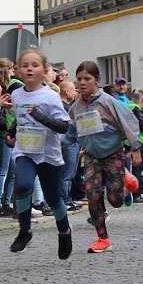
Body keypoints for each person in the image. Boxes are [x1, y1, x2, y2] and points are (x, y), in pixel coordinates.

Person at [64, 61, 142, 253]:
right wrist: (54, 144)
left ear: (97, 80)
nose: (82, 83)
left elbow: (128, 122)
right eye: (79, 79)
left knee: (115, 200)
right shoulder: (76, 106)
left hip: (112, 153)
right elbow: (70, 132)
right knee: (92, 193)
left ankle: (125, 184)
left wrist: (136, 147)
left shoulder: (107, 101)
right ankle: (103, 239)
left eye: (87, 79)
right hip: (91, 155)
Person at [5, 49, 74, 257]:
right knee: (24, 185)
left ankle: (64, 231)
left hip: (48, 153)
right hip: (25, 150)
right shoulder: (17, 94)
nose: (29, 69)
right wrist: (11, 133)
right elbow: (20, 118)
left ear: (44, 71)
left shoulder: (50, 97)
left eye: (34, 65)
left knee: (53, 199)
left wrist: (40, 116)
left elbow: (63, 127)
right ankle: (25, 230)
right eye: (25, 65)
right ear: (18, 70)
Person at [0, 58, 21, 216]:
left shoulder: (7, 87)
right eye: (12, 70)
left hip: (9, 131)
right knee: (2, 170)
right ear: (6, 71)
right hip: (3, 132)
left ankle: (6, 202)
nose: (14, 72)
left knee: (12, 171)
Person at [58, 80, 82, 211]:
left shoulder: (71, 106)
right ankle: (65, 200)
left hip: (74, 142)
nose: (75, 93)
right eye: (73, 90)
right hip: (68, 143)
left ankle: (68, 198)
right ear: (67, 91)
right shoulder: (61, 106)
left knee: (71, 173)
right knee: (66, 173)